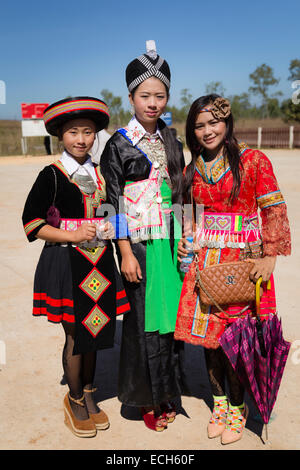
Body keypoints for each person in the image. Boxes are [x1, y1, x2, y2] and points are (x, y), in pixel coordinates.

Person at [174, 94, 291, 444]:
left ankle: (239, 408)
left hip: (244, 263)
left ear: (227, 123)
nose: (207, 131)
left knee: (235, 342)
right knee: (209, 343)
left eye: (213, 122)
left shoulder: (253, 161)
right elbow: (189, 218)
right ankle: (220, 404)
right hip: (205, 262)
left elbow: (273, 208)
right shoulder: (190, 170)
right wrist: (186, 242)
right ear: (191, 132)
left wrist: (270, 257)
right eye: (199, 126)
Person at [22, 96, 130, 438]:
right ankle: (73, 398)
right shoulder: (52, 175)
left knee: (96, 331)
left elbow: (111, 211)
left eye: (87, 132)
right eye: (73, 132)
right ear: (60, 136)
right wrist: (69, 232)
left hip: (100, 263)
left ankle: (89, 393)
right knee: (74, 333)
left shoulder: (100, 173)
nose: (81, 139)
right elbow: (32, 223)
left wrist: (111, 224)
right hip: (67, 263)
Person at [100, 40, 185, 432]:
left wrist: (188, 235)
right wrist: (125, 254)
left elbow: (182, 191)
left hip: (169, 240)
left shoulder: (172, 139)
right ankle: (145, 400)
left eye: (161, 95)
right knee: (142, 323)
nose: (153, 102)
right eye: (145, 95)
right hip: (137, 244)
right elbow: (111, 203)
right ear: (131, 96)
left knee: (170, 317)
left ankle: (169, 390)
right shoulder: (117, 144)